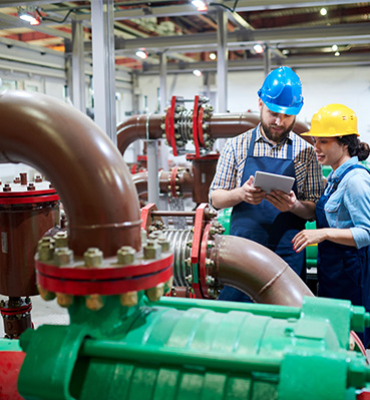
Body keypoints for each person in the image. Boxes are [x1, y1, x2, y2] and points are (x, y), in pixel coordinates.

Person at [209, 66, 325, 302]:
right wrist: (241, 194)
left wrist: (293, 206)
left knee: (286, 322)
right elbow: (215, 198)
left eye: (287, 116)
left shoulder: (306, 153)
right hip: (242, 255)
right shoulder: (236, 146)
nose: (279, 122)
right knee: (237, 318)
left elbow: (314, 209)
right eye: (273, 113)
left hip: (287, 255)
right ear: (260, 102)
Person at [292, 103, 370, 347]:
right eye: (315, 141)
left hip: (351, 273)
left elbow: (366, 233)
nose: (316, 147)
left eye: (323, 142)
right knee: (337, 334)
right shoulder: (335, 178)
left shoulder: (356, 180)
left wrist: (323, 233)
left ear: (344, 143)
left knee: (354, 338)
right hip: (334, 270)